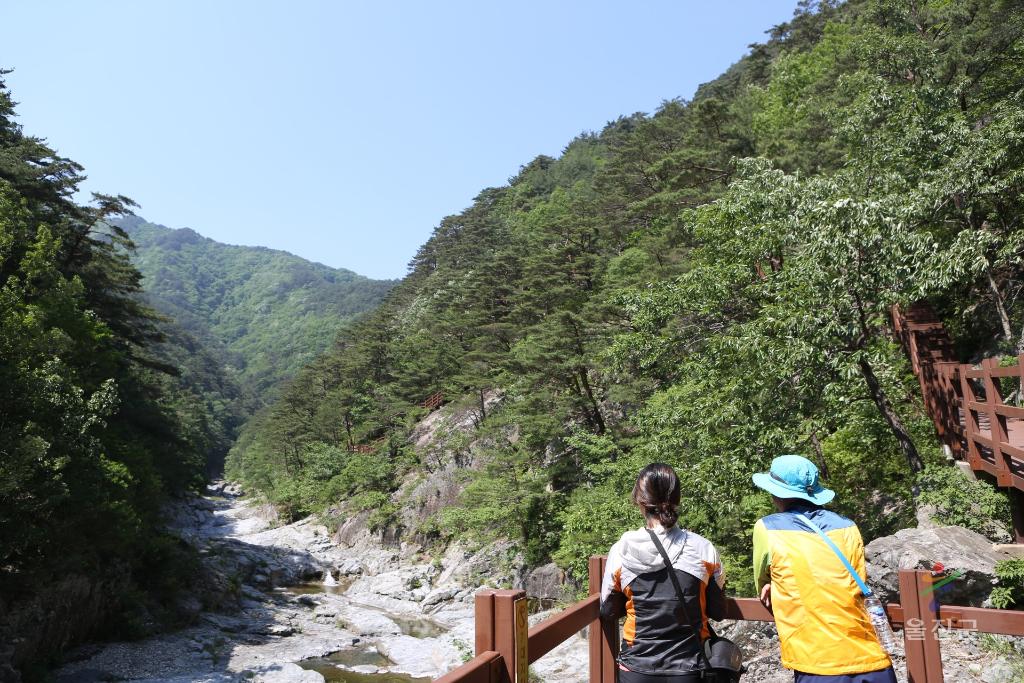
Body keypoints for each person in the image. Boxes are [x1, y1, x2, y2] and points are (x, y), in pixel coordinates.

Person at [751, 454, 896, 683]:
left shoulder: (767, 528)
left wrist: (771, 585)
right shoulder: (848, 526)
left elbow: (762, 581)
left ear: (777, 493)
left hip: (819, 663)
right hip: (873, 659)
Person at [600, 462, 726, 683]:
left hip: (637, 668)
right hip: (689, 668)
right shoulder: (703, 549)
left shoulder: (622, 551)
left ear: (640, 502)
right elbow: (718, 610)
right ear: (677, 500)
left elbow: (608, 611)